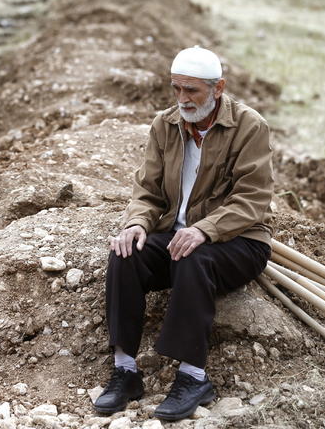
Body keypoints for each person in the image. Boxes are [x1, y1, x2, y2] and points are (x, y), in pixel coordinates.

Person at [93, 46, 273, 421]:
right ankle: (125, 370)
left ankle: (193, 377)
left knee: (193, 255)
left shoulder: (249, 126)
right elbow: (147, 191)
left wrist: (204, 230)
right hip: (179, 237)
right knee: (126, 253)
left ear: (218, 88)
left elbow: (252, 199)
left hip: (239, 242)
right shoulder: (165, 124)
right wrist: (137, 223)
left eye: (191, 90)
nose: (182, 98)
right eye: (176, 88)